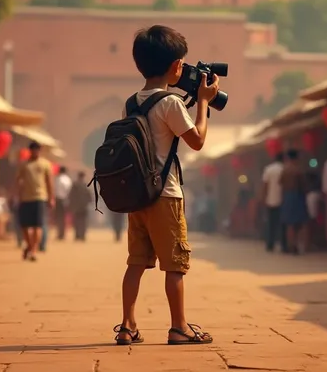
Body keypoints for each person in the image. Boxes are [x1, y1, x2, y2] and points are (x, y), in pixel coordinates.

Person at [115, 25, 217, 346]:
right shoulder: (171, 104)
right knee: (175, 265)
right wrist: (202, 101)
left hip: (138, 196)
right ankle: (179, 327)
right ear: (176, 67)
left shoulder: (130, 103)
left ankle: (128, 325)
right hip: (166, 195)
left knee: (136, 263)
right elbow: (197, 140)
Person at [16, 141, 54, 261]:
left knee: (38, 225)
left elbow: (49, 182)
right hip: (26, 198)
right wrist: (16, 194)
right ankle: (29, 245)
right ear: (30, 150)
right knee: (25, 226)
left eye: (37, 150)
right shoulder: (24, 165)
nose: (35, 152)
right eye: (33, 150)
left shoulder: (45, 164)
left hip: (40, 197)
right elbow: (17, 181)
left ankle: (33, 251)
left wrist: (51, 197)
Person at [280, 149, 308, 254]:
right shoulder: (298, 170)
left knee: (289, 224)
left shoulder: (285, 170)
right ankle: (302, 245)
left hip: (287, 196)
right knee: (301, 223)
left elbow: (281, 183)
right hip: (297, 196)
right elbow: (303, 184)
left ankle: (291, 245)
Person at [261, 152, 287, 253]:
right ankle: (284, 245)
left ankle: (270, 244)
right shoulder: (284, 169)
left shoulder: (269, 169)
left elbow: (265, 185)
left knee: (271, 224)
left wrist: (263, 198)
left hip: (270, 200)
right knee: (283, 225)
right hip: (283, 200)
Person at [69, 172, 92, 241]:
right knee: (84, 222)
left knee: (77, 221)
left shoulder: (75, 185)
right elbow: (90, 196)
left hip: (77, 207)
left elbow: (71, 195)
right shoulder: (86, 185)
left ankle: (77, 235)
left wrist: (72, 204)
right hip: (84, 206)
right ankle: (82, 235)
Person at [54, 167, 72, 240]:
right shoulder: (68, 179)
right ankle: (62, 233)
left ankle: (60, 233)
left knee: (59, 218)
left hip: (59, 200)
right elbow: (69, 190)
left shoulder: (58, 179)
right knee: (64, 218)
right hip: (65, 200)